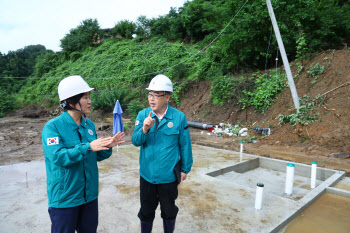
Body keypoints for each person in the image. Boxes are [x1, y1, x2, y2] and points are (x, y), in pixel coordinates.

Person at [42, 75, 125, 233]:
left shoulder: (89, 125)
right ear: (72, 102)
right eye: (85, 97)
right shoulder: (52, 127)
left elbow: (95, 156)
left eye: (89, 97)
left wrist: (107, 146)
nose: (90, 101)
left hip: (89, 196)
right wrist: (88, 147)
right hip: (65, 198)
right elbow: (58, 157)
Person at [132, 74, 193, 233]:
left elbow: (185, 145)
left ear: (167, 97)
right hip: (147, 175)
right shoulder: (142, 115)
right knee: (146, 212)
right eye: (150, 95)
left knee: (169, 211)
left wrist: (185, 169)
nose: (151, 99)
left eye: (156, 96)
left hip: (169, 177)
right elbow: (135, 141)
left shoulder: (179, 117)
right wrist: (144, 129)